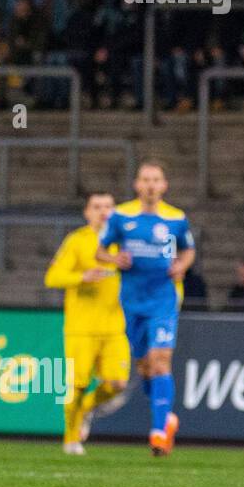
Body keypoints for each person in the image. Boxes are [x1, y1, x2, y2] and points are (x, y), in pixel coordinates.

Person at [95, 161, 195, 457]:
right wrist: (115, 260)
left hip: (164, 298)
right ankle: (168, 418)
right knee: (146, 367)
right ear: (137, 185)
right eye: (145, 179)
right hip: (132, 300)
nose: (151, 185)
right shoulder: (121, 216)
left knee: (161, 360)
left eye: (156, 180)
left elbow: (188, 249)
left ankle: (159, 432)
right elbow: (100, 251)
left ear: (164, 186)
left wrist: (182, 266)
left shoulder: (176, 218)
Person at [44, 192, 130, 455]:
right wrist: (83, 276)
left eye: (107, 206)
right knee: (78, 385)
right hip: (80, 327)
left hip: (114, 325)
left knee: (118, 384)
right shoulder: (77, 241)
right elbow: (53, 277)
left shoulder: (123, 242)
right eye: (96, 206)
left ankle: (86, 409)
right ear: (87, 212)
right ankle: (71, 438)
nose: (102, 211)